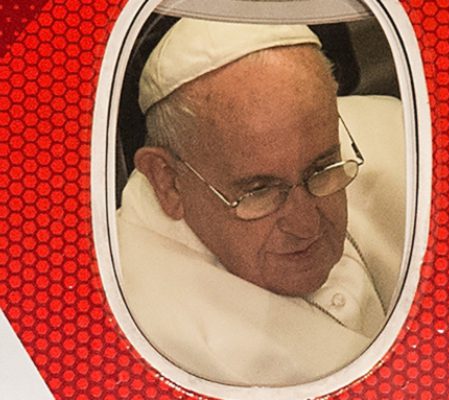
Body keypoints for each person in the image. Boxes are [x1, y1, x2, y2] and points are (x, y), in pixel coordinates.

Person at [116, 17, 405, 386]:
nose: (306, 226)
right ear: (168, 182)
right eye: (260, 191)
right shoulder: (131, 334)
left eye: (322, 169)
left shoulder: (403, 135)